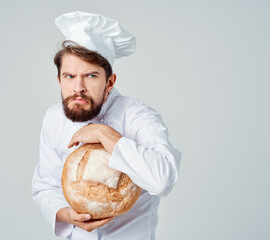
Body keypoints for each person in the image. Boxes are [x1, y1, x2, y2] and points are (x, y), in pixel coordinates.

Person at [32, 11, 182, 239]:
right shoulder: (54, 118)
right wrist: (66, 214)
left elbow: (162, 181)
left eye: (90, 76)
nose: (78, 88)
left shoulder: (138, 116)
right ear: (59, 79)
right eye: (69, 76)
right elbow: (45, 186)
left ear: (110, 82)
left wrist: (105, 134)